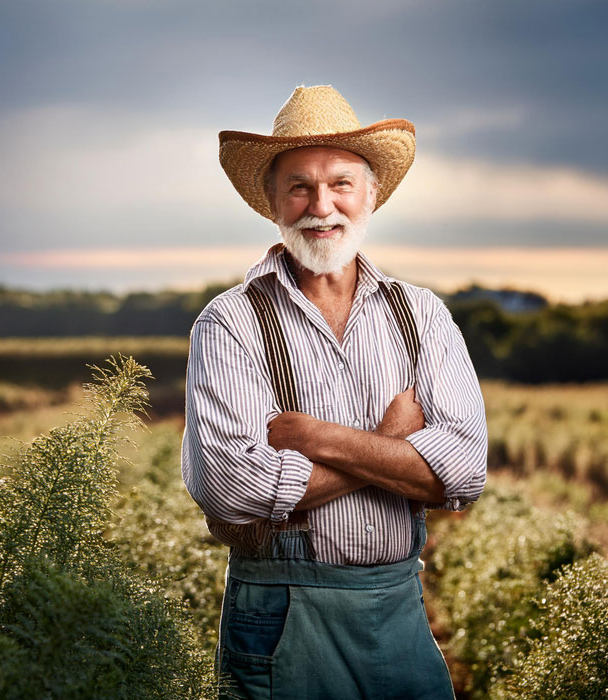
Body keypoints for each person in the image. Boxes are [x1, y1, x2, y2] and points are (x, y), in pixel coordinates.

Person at [181, 85, 487, 700]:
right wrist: (394, 445)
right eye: (299, 186)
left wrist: (315, 437)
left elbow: (462, 472)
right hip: (279, 616)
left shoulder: (421, 314)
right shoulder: (230, 322)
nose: (322, 206)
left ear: (371, 194)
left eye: (341, 183)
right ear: (271, 201)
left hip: (399, 609)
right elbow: (233, 491)